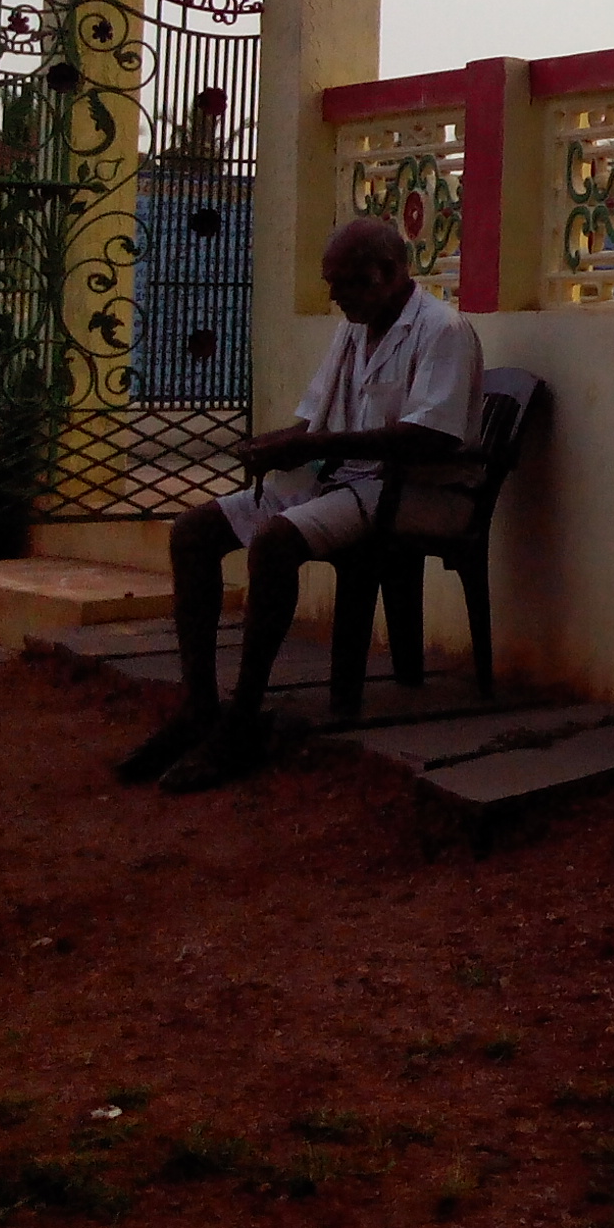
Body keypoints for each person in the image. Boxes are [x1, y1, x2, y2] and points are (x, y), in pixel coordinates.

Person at [114, 216, 486, 794]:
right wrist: (279, 444)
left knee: (276, 544)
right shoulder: (353, 327)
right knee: (193, 532)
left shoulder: (443, 331)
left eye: (346, 282)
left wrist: (313, 445)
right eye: (330, 282)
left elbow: (430, 438)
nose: (333, 295)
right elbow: (315, 419)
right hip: (341, 480)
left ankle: (243, 722)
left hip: (410, 490)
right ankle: (199, 708)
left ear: (389, 274)